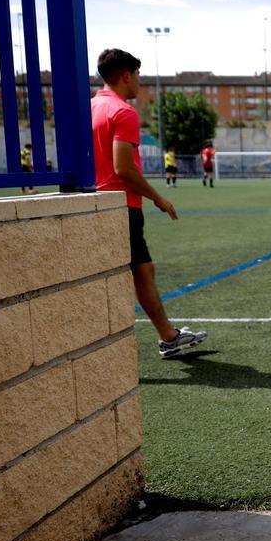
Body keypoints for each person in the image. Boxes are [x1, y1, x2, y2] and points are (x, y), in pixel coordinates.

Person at [90, 48, 207, 358]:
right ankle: (164, 338)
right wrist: (158, 198)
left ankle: (168, 336)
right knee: (134, 274)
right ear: (126, 75)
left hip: (97, 203)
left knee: (144, 271)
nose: (140, 82)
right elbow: (123, 168)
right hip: (123, 206)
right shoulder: (123, 112)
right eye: (138, 75)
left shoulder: (90, 108)